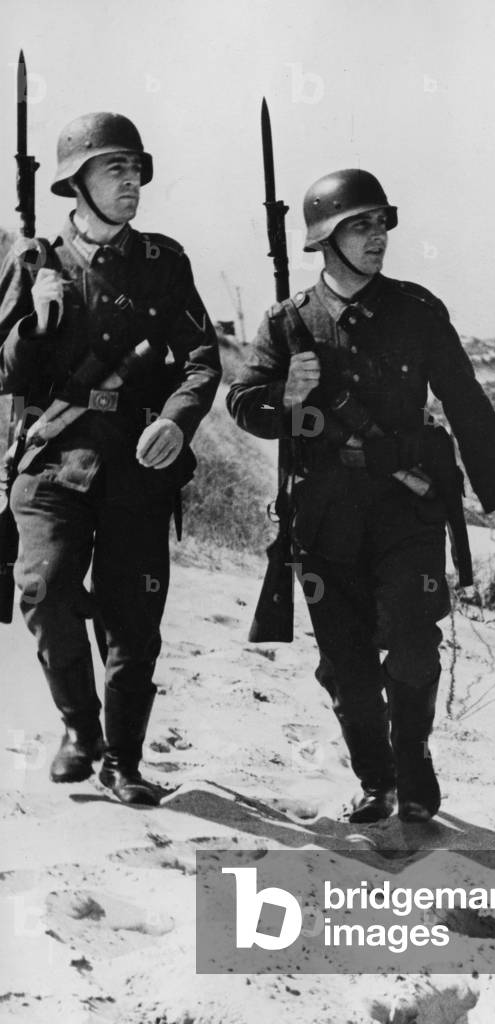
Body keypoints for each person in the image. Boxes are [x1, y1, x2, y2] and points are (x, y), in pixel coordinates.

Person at [227, 169, 495, 824]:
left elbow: (468, 406)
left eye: (381, 223)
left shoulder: (418, 312)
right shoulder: (287, 324)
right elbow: (244, 405)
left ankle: (413, 756)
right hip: (324, 517)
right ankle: (376, 778)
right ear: (325, 238)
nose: (378, 237)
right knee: (346, 669)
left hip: (407, 509)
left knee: (416, 646)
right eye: (361, 225)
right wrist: (287, 395)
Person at [0, 112, 220, 805]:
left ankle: (123, 760)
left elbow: (201, 360)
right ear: (77, 183)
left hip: (136, 462)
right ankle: (79, 729)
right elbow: (6, 371)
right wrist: (35, 320)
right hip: (51, 458)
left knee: (133, 617)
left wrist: (179, 423)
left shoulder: (164, 264)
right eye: (113, 169)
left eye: (135, 169)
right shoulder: (35, 261)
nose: (130, 183)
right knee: (46, 590)